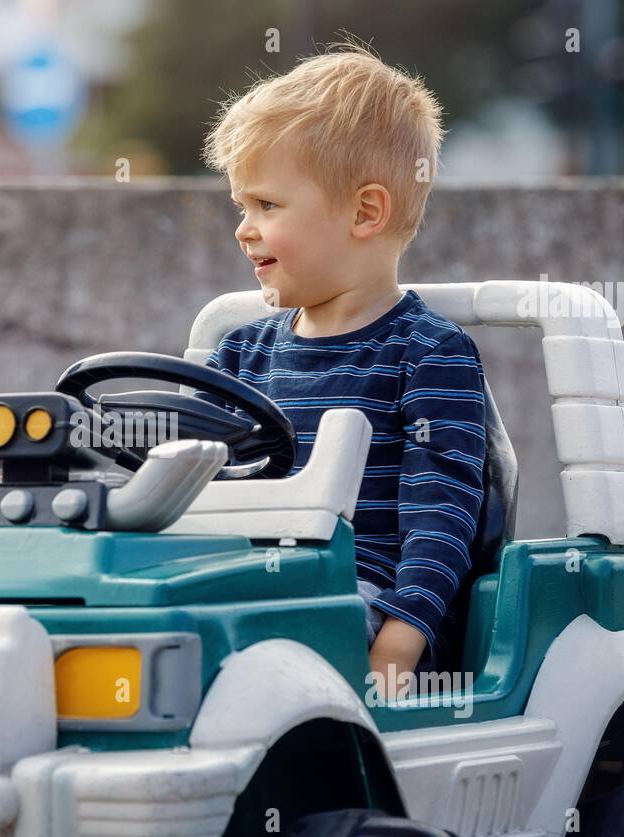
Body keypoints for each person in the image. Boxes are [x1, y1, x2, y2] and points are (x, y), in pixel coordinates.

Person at [198, 42, 487, 695]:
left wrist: (399, 643)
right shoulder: (239, 354)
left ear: (365, 212)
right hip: (247, 587)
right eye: (241, 207)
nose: (244, 229)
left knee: (251, 652)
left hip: (360, 604)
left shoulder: (427, 353)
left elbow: (441, 516)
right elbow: (196, 491)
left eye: (267, 206)